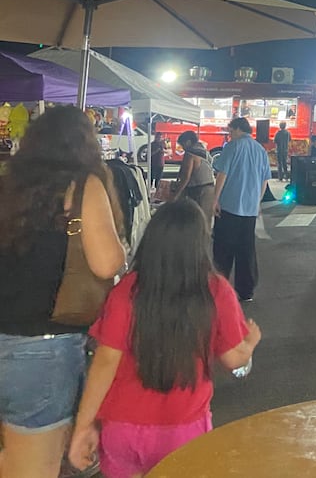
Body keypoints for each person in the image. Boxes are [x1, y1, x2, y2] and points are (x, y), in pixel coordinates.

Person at [68, 200, 261, 478]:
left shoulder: (127, 290)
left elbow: (105, 362)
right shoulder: (216, 291)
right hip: (183, 428)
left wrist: (83, 426)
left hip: (122, 427)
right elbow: (234, 360)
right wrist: (251, 344)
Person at [0, 105, 126, 478]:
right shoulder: (84, 185)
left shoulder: (7, 182)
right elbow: (106, 264)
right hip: (42, 348)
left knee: (10, 456)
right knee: (32, 468)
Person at [212, 117, 272, 302]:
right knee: (246, 250)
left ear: (238, 129)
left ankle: (220, 288)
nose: (229, 134)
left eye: (231, 130)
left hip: (230, 206)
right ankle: (246, 291)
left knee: (223, 249)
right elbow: (265, 180)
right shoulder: (260, 150)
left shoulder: (232, 146)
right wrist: (257, 200)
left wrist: (215, 200)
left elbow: (222, 174)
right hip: (250, 210)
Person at [172, 131, 216, 228]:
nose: (182, 147)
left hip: (199, 191)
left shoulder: (190, 154)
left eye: (182, 144)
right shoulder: (204, 151)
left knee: (196, 221)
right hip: (210, 189)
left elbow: (186, 177)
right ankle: (205, 241)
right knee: (205, 222)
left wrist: (176, 195)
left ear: (188, 142)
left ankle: (196, 242)